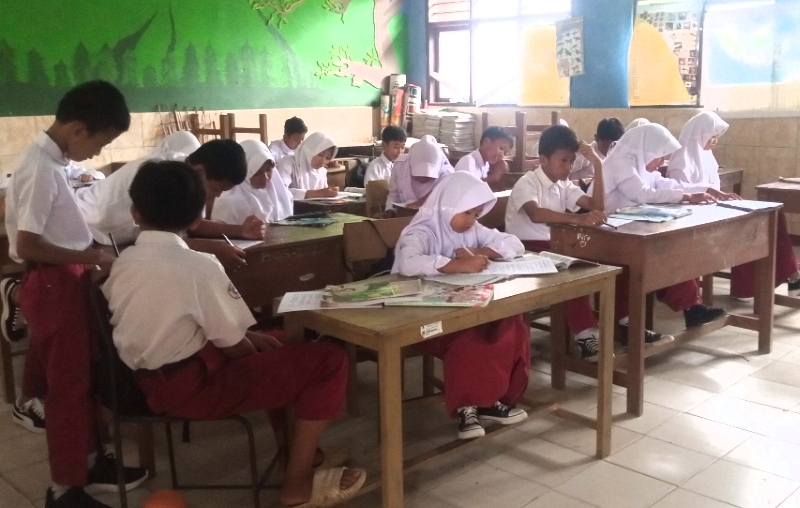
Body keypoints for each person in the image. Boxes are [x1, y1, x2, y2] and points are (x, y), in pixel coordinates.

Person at [103, 160, 365, 507]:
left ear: (135, 212)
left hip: (145, 381)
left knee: (280, 340)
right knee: (328, 361)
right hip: (192, 387)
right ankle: (297, 485)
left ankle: (296, 454)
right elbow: (233, 347)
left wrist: (259, 345)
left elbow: (193, 325)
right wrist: (260, 353)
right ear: (197, 218)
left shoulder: (122, 262)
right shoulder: (198, 265)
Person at [6, 81, 147, 508]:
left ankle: (89, 460)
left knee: (83, 377)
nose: (98, 152)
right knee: (67, 389)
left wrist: (86, 257)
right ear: (78, 129)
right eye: (100, 143)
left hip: (67, 279)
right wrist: (90, 256)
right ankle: (65, 489)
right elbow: (28, 245)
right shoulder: (40, 168)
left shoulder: (54, 162)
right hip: (52, 284)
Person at [504, 124, 670, 357]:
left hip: (557, 246)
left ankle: (627, 324)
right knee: (574, 272)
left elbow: (596, 205)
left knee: (619, 262)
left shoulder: (563, 184)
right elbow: (536, 214)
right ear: (543, 159)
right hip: (528, 250)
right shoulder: (528, 182)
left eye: (572, 161)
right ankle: (584, 336)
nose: (568, 167)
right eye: (563, 161)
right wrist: (577, 219)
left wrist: (599, 165)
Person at [393, 171, 530, 439]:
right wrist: (455, 265)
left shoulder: (473, 230)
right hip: (422, 316)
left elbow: (515, 243)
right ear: (448, 204)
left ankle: (489, 399)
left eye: (476, 214)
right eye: (467, 212)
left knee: (509, 321)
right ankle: (467, 407)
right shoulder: (422, 231)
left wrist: (481, 252)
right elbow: (408, 263)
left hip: (463, 306)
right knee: (468, 333)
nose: (471, 220)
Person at [600, 123, 729, 329]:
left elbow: (668, 185)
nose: (661, 162)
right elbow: (642, 194)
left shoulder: (641, 163)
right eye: (659, 157)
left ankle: (692, 308)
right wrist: (687, 196)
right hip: (608, 233)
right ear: (646, 149)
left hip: (633, 229)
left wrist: (707, 189)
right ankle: (685, 309)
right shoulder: (620, 162)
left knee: (674, 250)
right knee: (666, 253)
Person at [75, 134, 265, 271]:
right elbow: (163, 237)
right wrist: (215, 248)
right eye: (216, 189)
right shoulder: (162, 177)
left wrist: (240, 231)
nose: (215, 197)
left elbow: (189, 225)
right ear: (200, 171)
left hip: (118, 239)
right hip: (84, 233)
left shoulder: (188, 178)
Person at [667, 111, 800, 298]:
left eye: (716, 137)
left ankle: (788, 274)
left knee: (773, 216)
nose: (715, 141)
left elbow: (713, 188)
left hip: (713, 209)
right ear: (699, 135)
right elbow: (678, 191)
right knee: (749, 228)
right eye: (712, 136)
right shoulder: (681, 159)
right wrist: (709, 192)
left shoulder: (706, 156)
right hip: (694, 215)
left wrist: (721, 197)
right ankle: (790, 275)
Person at [212, 140, 293, 224]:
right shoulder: (228, 203)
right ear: (243, 172)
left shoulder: (281, 194)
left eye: (268, 170)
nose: (265, 177)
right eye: (256, 173)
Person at [385, 135, 453, 213]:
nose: (422, 178)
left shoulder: (448, 174)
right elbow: (394, 193)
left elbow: (448, 202)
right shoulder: (401, 165)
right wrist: (390, 210)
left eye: (428, 176)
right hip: (404, 214)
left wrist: (424, 202)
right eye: (418, 174)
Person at [276, 132, 340, 200]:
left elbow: (323, 196)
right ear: (309, 151)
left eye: (328, 158)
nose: (323, 161)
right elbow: (279, 191)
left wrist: (330, 192)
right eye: (320, 155)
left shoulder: (322, 171)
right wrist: (317, 193)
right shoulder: (287, 164)